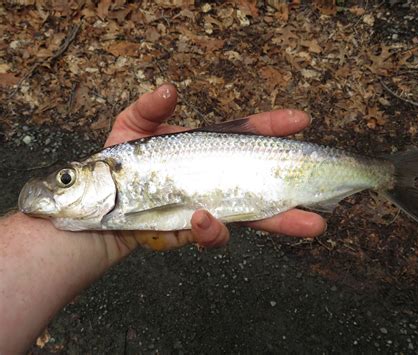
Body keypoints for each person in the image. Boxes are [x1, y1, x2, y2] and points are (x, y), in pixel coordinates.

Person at [0, 84, 326, 353]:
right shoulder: (107, 189)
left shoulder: (121, 166)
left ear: (107, 173)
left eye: (67, 179)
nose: (60, 186)